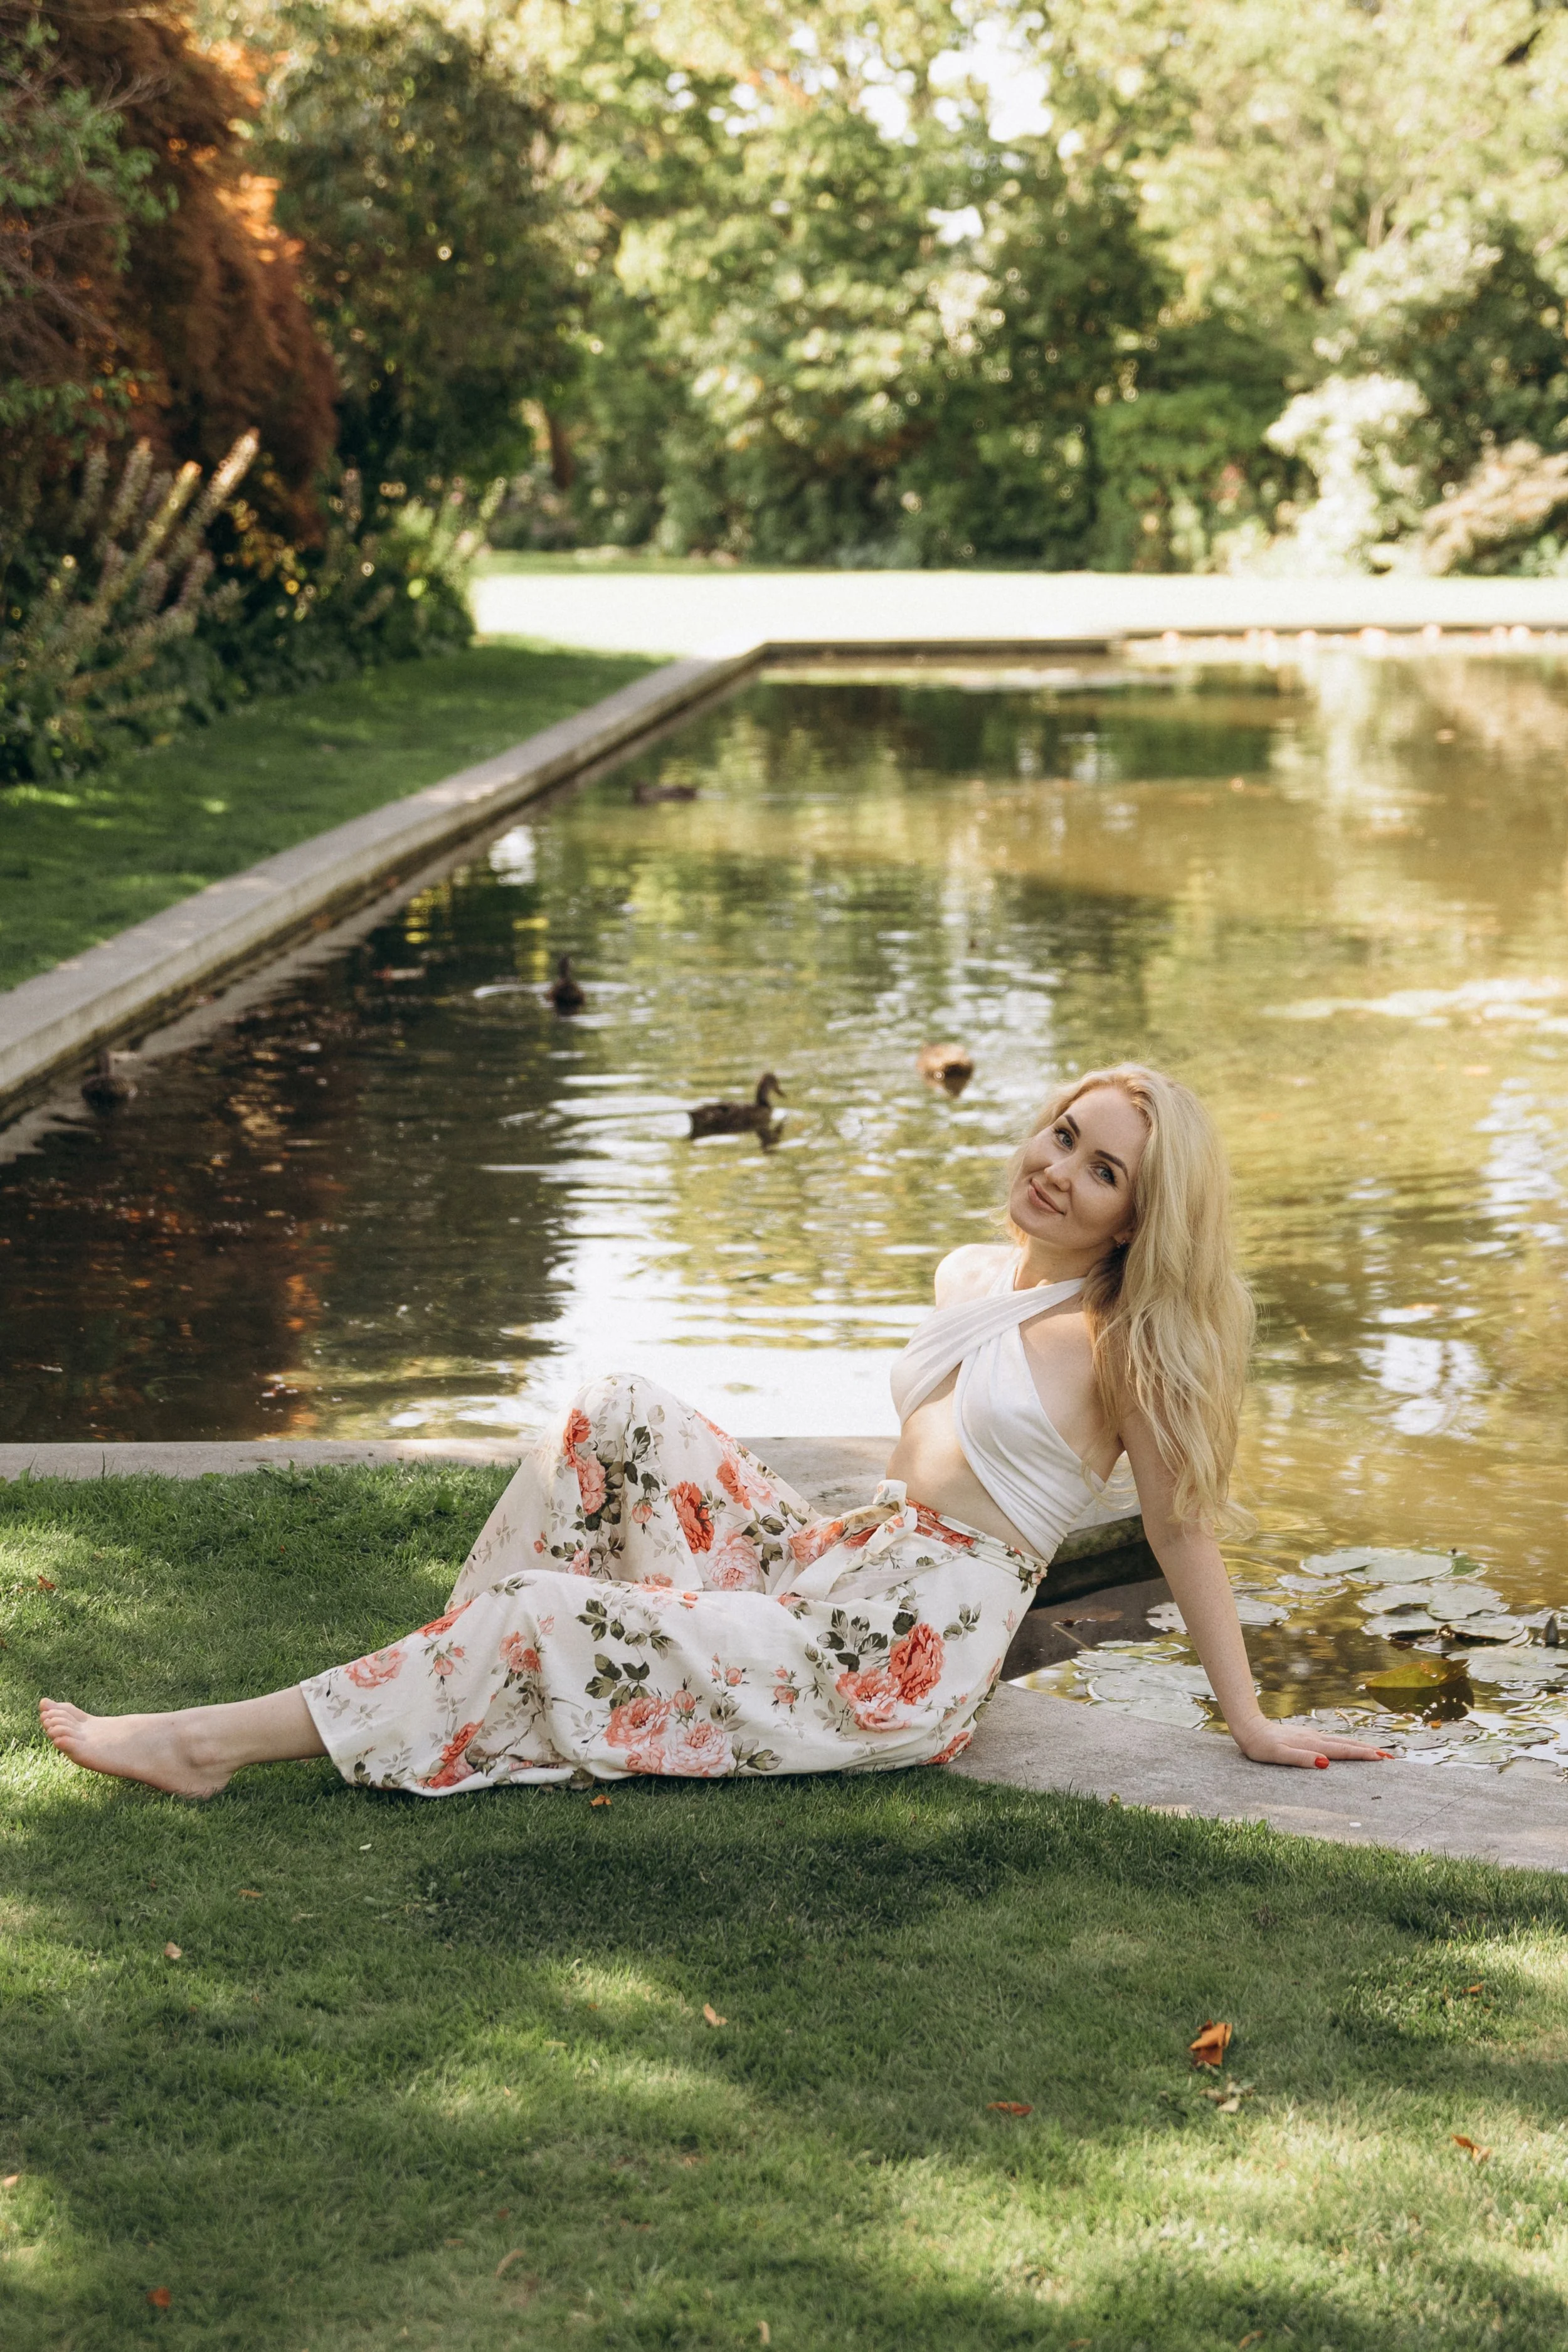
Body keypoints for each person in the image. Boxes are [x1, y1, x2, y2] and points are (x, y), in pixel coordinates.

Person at [39, 1062, 1389, 1797]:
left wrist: (1252, 1721)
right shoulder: (970, 1281)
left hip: (896, 1664)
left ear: (1135, 1221)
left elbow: (1178, 1528)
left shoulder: (1124, 1349)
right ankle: (458, 1679)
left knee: (547, 1619)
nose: (1057, 1169)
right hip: (840, 1568)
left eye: (1103, 1171)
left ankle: (206, 1745)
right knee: (612, 1412)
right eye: (1063, 1133)